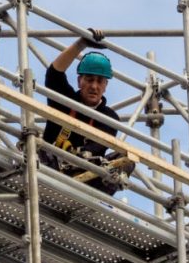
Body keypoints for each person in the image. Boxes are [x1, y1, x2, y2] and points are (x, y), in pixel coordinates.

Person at [41, 28, 127, 194]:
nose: (94, 86)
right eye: (89, 79)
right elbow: (53, 74)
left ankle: (97, 197)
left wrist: (81, 158)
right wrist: (81, 44)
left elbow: (96, 150)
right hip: (50, 168)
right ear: (80, 81)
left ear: (105, 86)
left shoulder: (109, 118)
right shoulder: (65, 101)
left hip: (84, 179)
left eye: (99, 81)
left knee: (125, 161)